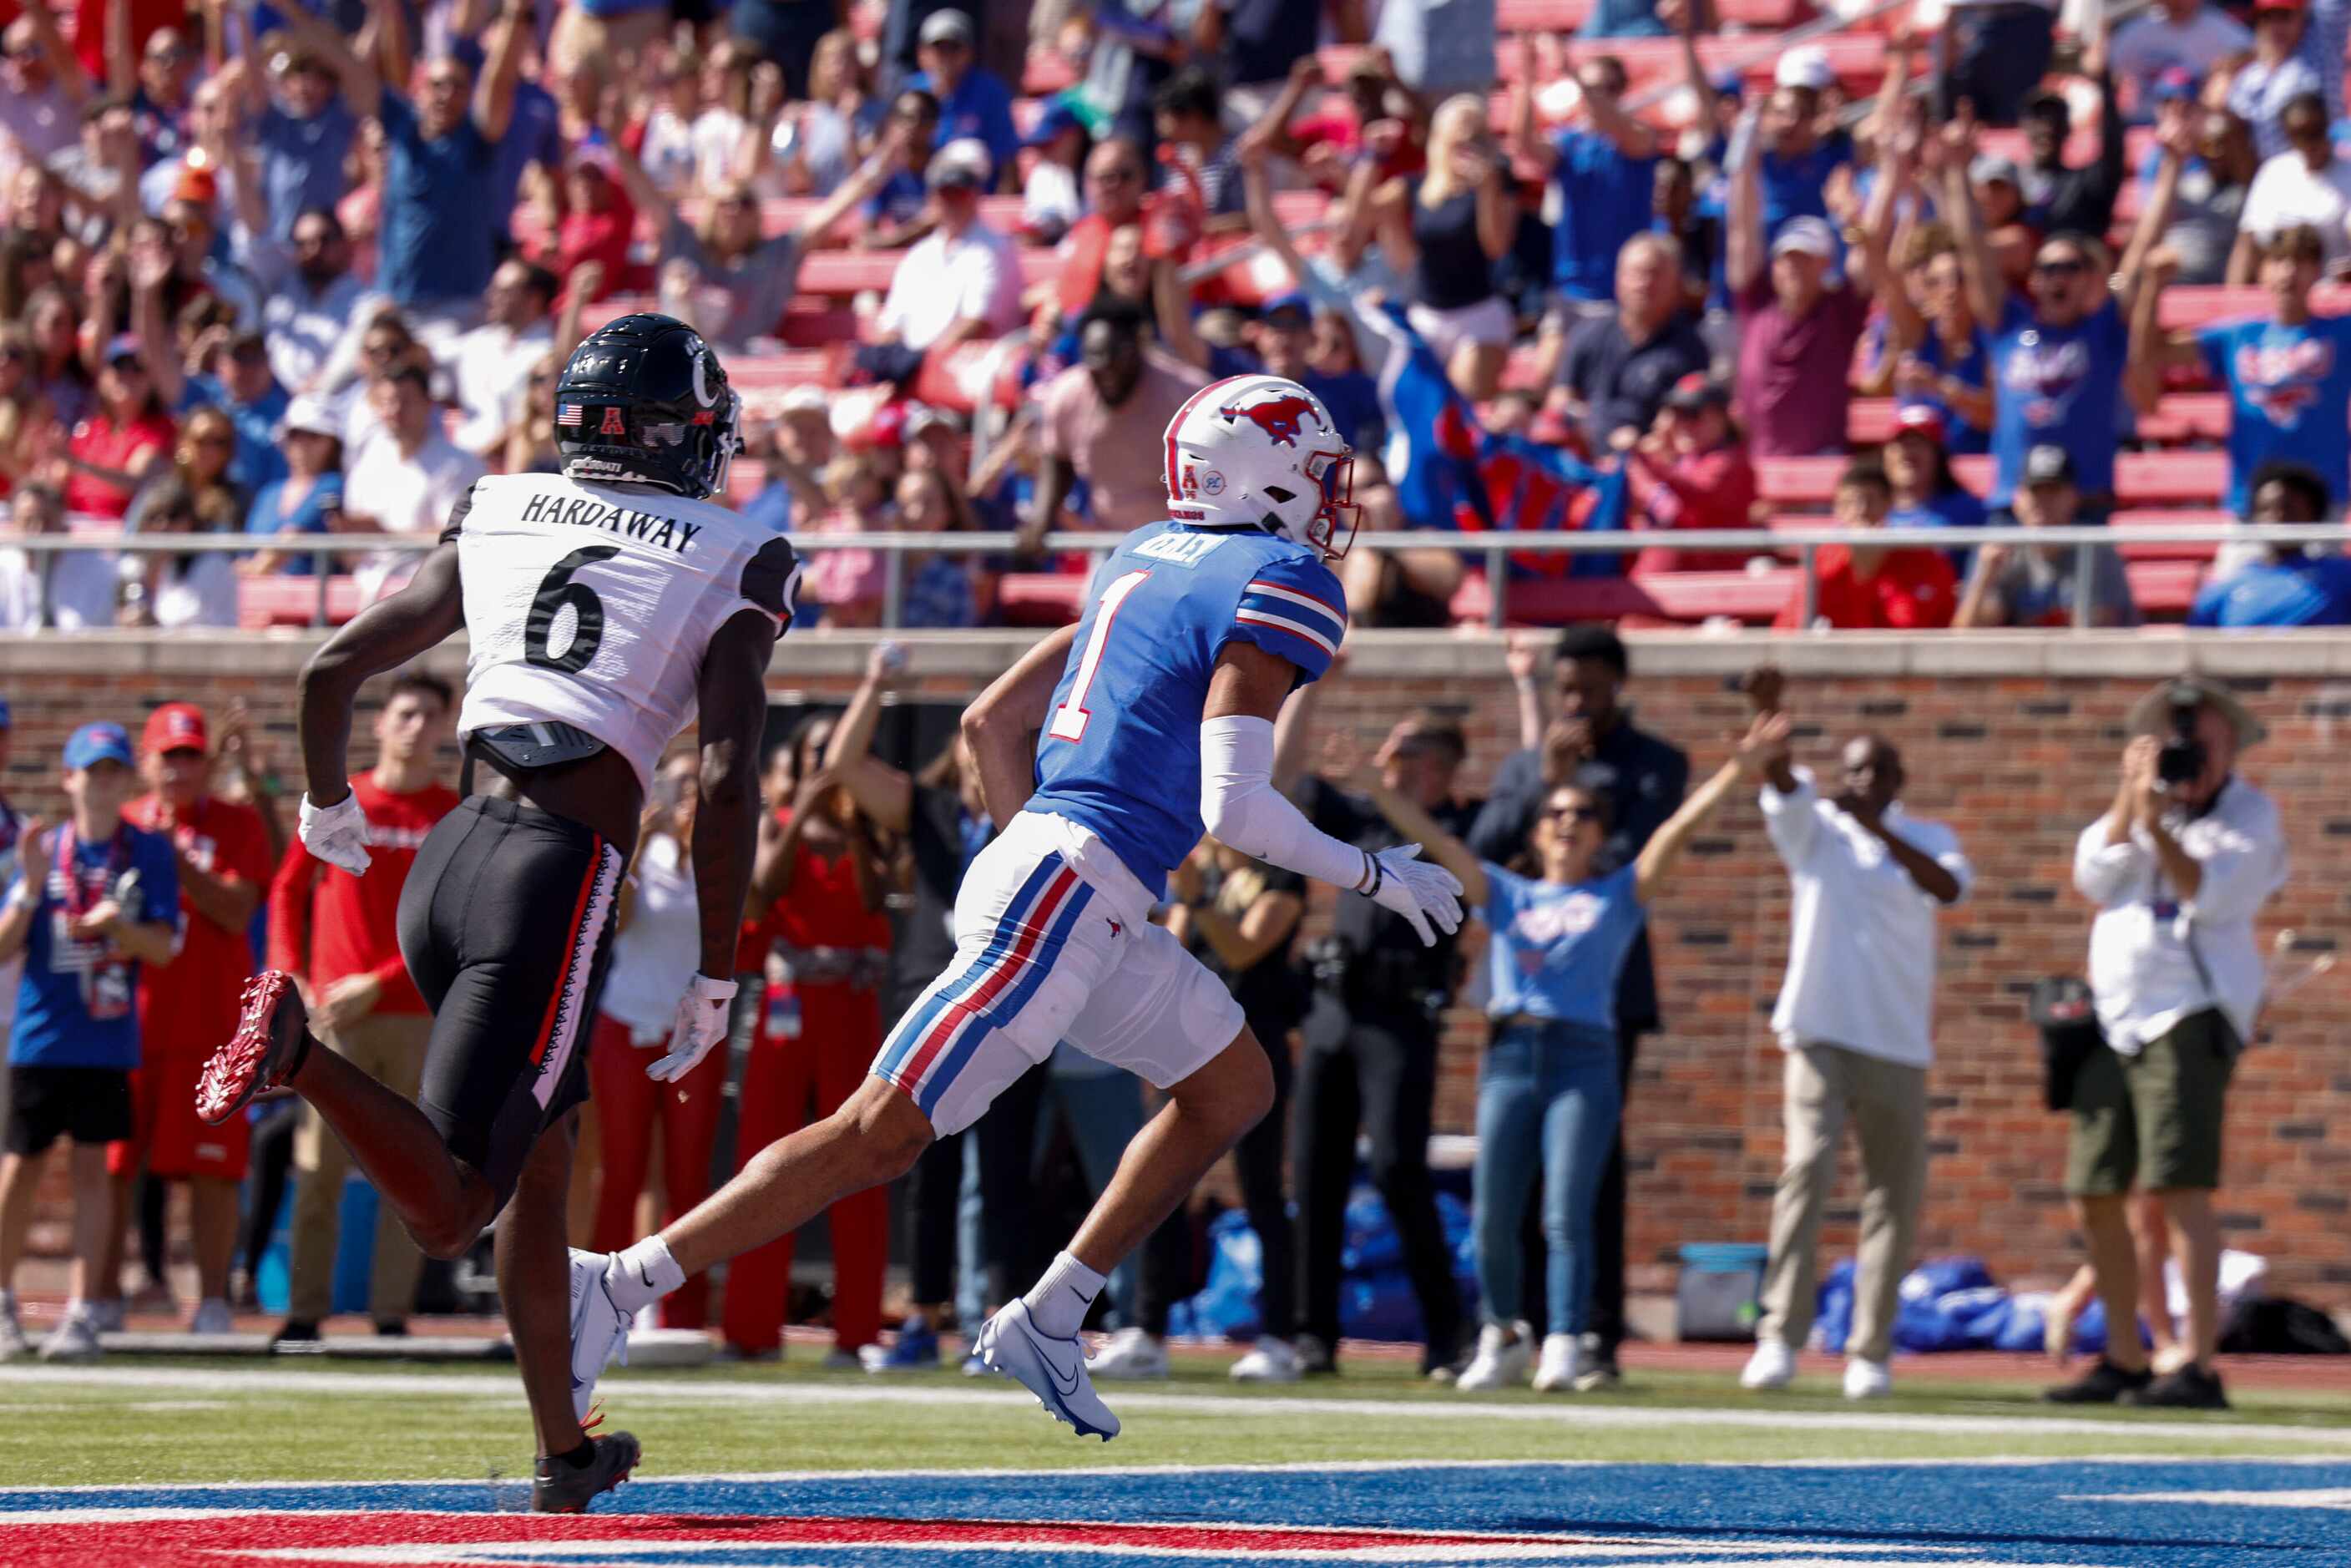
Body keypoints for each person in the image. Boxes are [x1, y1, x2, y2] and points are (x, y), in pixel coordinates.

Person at [566, 374, 1464, 1443]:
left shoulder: (1138, 555)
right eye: (1315, 474)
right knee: (879, 1132)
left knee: (1229, 1087)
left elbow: (990, 722)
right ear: (1257, 475)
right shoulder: (1277, 579)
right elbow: (1233, 808)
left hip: (1066, 875)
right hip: (1070, 883)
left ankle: (1052, 1311)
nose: (1329, 499)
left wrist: (1029, 862)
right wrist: (1371, 873)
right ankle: (618, 1284)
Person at [193, 313, 802, 1511]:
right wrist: (716, 969)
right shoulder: (743, 551)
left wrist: (328, 803)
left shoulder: (498, 502)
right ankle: (298, 1054)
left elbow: (329, 670)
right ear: (684, 433)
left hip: (452, 859)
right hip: (555, 870)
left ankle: (562, 1448)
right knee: (457, 1203)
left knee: (543, 1154)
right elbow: (726, 779)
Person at [1377, 711, 1786, 1393]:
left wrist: (1737, 772)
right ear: (1537, 832)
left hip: (1583, 1056)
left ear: (1600, 834)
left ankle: (1565, 1339)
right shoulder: (1508, 893)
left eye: (1584, 815)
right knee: (1495, 1211)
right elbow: (1439, 846)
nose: (1569, 821)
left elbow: (1674, 835)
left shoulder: (1616, 893)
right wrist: (1378, 791)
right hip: (1510, 1055)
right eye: (1557, 812)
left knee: (1566, 1208)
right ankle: (1502, 1332)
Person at [1736, 668, 1971, 1401]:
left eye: (1874, 771)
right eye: (1852, 771)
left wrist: (1878, 829)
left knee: (1892, 1196)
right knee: (1805, 1168)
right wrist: (1769, 710)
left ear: (1898, 778)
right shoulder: (1819, 833)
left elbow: (1948, 887)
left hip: (1898, 1044)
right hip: (1818, 1031)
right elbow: (1781, 779)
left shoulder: (1929, 838)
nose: (1860, 781)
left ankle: (1870, 1348)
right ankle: (1780, 1335)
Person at [2053, 678, 2288, 1409]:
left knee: (2179, 1187)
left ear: (2230, 745)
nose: (2188, 756)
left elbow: (2207, 893)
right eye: (2174, 741)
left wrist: (2158, 826)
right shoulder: (2140, 804)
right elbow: (2094, 873)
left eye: (2201, 741)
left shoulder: (2250, 815)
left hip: (2187, 1013)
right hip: (2111, 1015)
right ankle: (2125, 1354)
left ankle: (2198, 1362)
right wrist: (2134, 799)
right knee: (2094, 1188)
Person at [1467, 627, 1686, 1388]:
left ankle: (1591, 1331)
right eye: (1566, 689)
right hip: (1526, 993)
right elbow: (1488, 844)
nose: (1575, 702)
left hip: (1603, 993)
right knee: (1508, 1181)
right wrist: (1542, 781)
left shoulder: (1652, 762)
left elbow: (1627, 858)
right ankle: (1516, 1325)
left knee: (1589, 1178)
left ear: (1617, 685)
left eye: (1589, 688)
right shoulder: (1528, 770)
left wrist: (1577, 788)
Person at [1268, 696, 1474, 1379]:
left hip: (1401, 1015)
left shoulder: (1457, 824)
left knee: (1396, 1168)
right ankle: (1312, 1335)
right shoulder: (1362, 817)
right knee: (1316, 1173)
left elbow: (1458, 870)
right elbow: (1280, 778)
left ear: (1434, 767)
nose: (1384, 762)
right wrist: (1307, 689)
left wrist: (1382, 786)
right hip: (1337, 1006)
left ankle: (1447, 1332)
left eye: (1401, 752)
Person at [266, 672, 458, 1344]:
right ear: (379, 724)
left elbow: (454, 922)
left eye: (430, 717)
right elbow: (288, 888)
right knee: (318, 1167)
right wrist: (292, 972)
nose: (415, 726)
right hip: (334, 1020)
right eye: (405, 713)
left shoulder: (452, 812)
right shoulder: (339, 800)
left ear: (444, 729)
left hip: (414, 1013)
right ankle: (305, 1312)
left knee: (407, 1173)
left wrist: (378, 980)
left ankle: (389, 1313)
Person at [0, 723, 179, 1363]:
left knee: (94, 1173)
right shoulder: (40, 847)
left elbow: (165, 946)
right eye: (91, 771)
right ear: (68, 779)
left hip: (107, 1039)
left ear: (127, 780)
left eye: (113, 771)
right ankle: (4, 1302)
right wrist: (25, 887)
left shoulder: (148, 852)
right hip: (40, 1034)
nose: (102, 783)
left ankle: (81, 1310)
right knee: (20, 1166)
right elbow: (4, 947)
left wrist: (121, 929)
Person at [96, 703, 270, 1337]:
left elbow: (234, 909)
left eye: (191, 756)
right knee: (115, 1164)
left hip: (208, 1021)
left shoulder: (236, 824)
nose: (179, 770)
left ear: (207, 763)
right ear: (146, 764)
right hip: (128, 1020)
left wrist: (176, 857)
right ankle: (102, 1293)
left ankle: (214, 1300)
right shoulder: (121, 826)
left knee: (213, 1169)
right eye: (168, 757)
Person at [722, 725, 893, 1365]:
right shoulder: (776, 822)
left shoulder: (868, 830)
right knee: (765, 1154)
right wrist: (800, 817)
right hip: (787, 1002)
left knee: (861, 1155)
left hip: (851, 1002)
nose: (828, 764)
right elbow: (763, 890)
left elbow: (880, 902)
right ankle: (749, 1329)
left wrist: (850, 826)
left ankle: (857, 1333)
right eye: (816, 753)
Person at [1938, 108, 2136, 522]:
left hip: (2086, 505)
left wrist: (2169, 167)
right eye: (2048, 268)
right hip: (2012, 504)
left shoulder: (2101, 333)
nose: (2058, 278)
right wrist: (1957, 174)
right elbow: (1973, 256)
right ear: (2034, 279)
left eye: (2071, 268)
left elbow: (2133, 273)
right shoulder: (2010, 325)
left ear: (2088, 279)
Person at [588, 752, 723, 1332]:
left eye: (698, 785)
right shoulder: (641, 849)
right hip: (626, 1024)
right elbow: (613, 924)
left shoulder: (724, 853)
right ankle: (598, 1300)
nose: (688, 796)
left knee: (689, 1176)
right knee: (622, 1171)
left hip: (691, 1031)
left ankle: (679, 1313)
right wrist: (639, 843)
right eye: (679, 784)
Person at [2133, 225, 2351, 515]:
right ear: (2262, 272)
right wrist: (2152, 285)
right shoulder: (2238, 335)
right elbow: (2152, 354)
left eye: (2300, 261)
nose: (2288, 272)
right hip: (2251, 502)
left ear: (2317, 272)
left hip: (2323, 500)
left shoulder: (2340, 331)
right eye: (2278, 261)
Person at [1030, 299, 1210, 545]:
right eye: (1096, 357)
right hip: (1109, 545)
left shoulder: (1187, 395)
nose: (1107, 368)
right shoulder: (1066, 396)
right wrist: (1041, 520)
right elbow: (1057, 460)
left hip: (1183, 541)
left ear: (1138, 346)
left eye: (1117, 355)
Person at [1513, 42, 1659, 317]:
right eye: (1591, 88)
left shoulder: (1638, 135)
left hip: (1621, 293)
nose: (1594, 96)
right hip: (1570, 290)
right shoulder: (1570, 142)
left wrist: (1574, 75)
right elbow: (1524, 145)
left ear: (1622, 90)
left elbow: (1617, 126)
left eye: (1607, 88)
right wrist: (1528, 78)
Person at [1550, 236, 1708, 457]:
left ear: (1676, 283)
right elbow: (1560, 398)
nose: (1643, 284)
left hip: (1647, 468)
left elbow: (1687, 428)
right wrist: (1577, 424)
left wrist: (1643, 447)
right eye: (1635, 273)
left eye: (1654, 274)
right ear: (1618, 279)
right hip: (1580, 459)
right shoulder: (1588, 333)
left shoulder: (1690, 349)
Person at [1954, 445, 2139, 629]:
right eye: (2035, 492)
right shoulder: (1999, 550)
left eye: (2053, 491)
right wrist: (1985, 578)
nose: (2043, 503)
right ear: (2018, 500)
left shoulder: (2095, 551)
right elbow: (1966, 635)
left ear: (2073, 498)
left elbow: (2098, 637)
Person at [871, 139, 1024, 355]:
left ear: (975, 195)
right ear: (932, 197)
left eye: (959, 193)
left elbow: (975, 324)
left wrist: (920, 364)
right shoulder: (919, 255)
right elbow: (891, 325)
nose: (952, 202)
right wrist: (890, 363)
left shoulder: (995, 249)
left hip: (967, 367)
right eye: (944, 193)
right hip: (915, 367)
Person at [1775, 461, 1959, 631]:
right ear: (1837, 509)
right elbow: (1790, 631)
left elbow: (1948, 632)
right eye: (1848, 503)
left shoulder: (1924, 562)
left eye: (1870, 500)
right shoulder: (1821, 561)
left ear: (1889, 504)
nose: (1860, 511)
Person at [2188, 461, 2351, 625]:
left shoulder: (2342, 576)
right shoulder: (2225, 588)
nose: (2278, 517)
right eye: (2266, 509)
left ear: (2313, 515)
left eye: (2289, 508)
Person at [2229, 92, 2351, 279]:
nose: (2309, 142)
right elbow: (2247, 244)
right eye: (2299, 135)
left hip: (2336, 296)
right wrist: (2233, 299)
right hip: (2280, 293)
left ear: (2327, 126)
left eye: (2315, 131)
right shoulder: (2273, 173)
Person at [2112, 0, 2251, 119]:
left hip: (2199, 123)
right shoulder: (2135, 32)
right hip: (2145, 121)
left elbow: (2251, 57)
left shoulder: (2225, 31)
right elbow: (2111, 71)